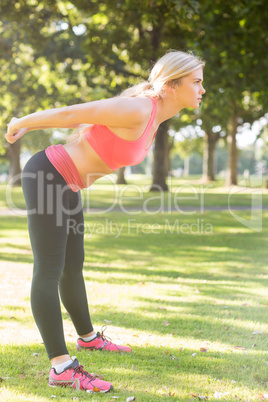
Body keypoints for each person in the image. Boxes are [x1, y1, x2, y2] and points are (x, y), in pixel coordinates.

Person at [5, 50, 205, 393]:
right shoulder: (139, 109)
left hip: (66, 183)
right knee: (49, 269)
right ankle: (61, 368)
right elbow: (72, 114)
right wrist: (22, 122)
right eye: (197, 82)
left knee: (73, 265)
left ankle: (88, 339)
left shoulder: (155, 115)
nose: (203, 89)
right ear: (172, 85)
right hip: (49, 175)